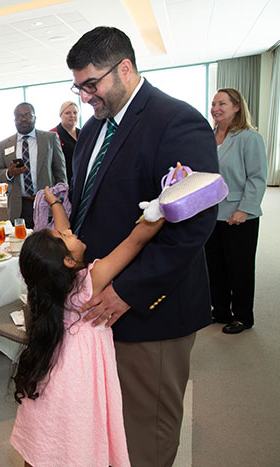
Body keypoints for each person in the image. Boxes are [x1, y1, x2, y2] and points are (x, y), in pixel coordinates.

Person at [66, 27, 218, 466]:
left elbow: (192, 225)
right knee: (110, 420)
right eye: (78, 88)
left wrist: (129, 291)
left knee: (145, 431)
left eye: (91, 84)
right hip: (100, 302)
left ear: (125, 68)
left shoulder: (176, 121)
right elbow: (87, 208)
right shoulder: (95, 131)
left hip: (153, 308)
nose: (85, 97)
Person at [11, 187, 164, 467]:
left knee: (49, 431)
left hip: (56, 371)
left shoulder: (52, 284)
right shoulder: (89, 283)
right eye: (66, 237)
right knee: (79, 433)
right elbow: (136, 241)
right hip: (79, 374)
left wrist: (54, 202)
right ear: (68, 261)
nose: (70, 232)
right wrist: (165, 205)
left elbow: (61, 227)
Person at [205, 88, 267, 334]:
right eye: (213, 104)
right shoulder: (208, 137)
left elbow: (257, 178)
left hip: (239, 214)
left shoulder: (249, 137)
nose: (216, 108)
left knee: (239, 267)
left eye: (222, 103)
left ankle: (242, 316)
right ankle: (220, 311)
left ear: (237, 107)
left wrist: (244, 209)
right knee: (214, 265)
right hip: (211, 212)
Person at [0, 102, 67, 228]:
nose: (23, 119)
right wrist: (9, 173)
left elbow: (60, 172)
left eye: (27, 115)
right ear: (14, 120)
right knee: (21, 245)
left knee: (48, 245)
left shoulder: (50, 138)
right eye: (19, 116)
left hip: (46, 203)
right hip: (19, 206)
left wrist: (59, 201)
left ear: (34, 118)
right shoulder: (4, 144)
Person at [50, 101, 80, 183]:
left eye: (75, 112)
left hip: (82, 180)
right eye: (67, 113)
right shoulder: (52, 135)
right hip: (63, 183)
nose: (72, 116)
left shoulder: (84, 134)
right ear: (61, 115)